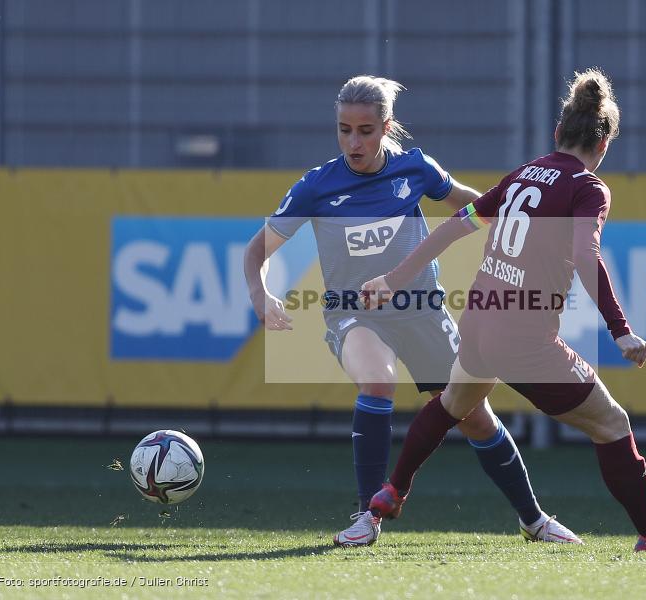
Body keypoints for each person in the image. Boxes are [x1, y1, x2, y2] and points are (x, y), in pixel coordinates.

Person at [361, 68, 646, 553]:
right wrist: (621, 330)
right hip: (523, 338)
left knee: (451, 406)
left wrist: (391, 280)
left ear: (557, 133)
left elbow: (455, 226)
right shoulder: (588, 188)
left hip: (481, 320)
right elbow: (587, 256)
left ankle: (392, 490)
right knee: (612, 425)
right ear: (604, 143)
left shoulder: (524, 173)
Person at [243, 75, 580, 547]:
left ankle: (534, 520)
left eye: (365, 130)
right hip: (353, 312)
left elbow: (477, 204)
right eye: (344, 129)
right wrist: (261, 297)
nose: (353, 141)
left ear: (387, 126)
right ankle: (366, 516)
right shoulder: (317, 186)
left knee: (475, 416)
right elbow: (256, 252)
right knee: (378, 380)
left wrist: (533, 221)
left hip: (422, 310)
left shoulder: (416, 168)